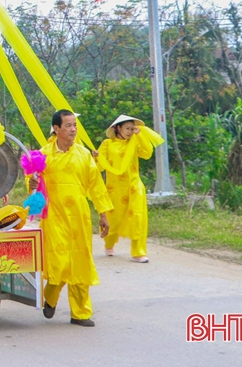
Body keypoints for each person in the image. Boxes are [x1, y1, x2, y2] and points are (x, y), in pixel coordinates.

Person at [29, 110, 113, 327]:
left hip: (79, 216)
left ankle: (81, 313)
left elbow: (96, 186)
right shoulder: (43, 155)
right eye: (68, 125)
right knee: (59, 262)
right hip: (54, 215)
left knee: (80, 262)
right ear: (56, 129)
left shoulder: (84, 155)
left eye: (74, 125)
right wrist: (32, 185)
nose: (73, 129)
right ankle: (50, 297)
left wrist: (103, 215)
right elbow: (32, 184)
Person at [94, 115, 164, 264]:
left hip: (134, 186)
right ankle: (109, 243)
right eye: (127, 128)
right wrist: (95, 158)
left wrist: (140, 135)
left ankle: (138, 252)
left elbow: (147, 153)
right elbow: (99, 167)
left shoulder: (134, 142)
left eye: (132, 129)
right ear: (118, 128)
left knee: (138, 217)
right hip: (115, 189)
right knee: (114, 219)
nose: (130, 131)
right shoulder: (107, 144)